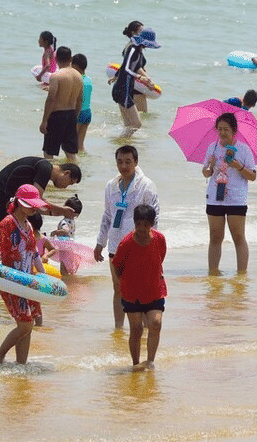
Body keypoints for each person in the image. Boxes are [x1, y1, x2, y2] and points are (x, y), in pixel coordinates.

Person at [0, 184, 51, 364]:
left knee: (28, 326)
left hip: (29, 282)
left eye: (35, 204)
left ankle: (21, 365)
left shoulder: (28, 225)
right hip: (12, 282)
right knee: (26, 324)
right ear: (18, 202)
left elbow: (34, 255)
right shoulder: (7, 223)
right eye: (30, 204)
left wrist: (43, 277)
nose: (33, 207)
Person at [95, 145, 160, 329]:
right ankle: (118, 328)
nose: (123, 166)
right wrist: (100, 242)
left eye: (128, 162)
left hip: (138, 244)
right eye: (120, 162)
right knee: (118, 288)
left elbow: (154, 217)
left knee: (140, 290)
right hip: (116, 245)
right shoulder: (111, 186)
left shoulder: (146, 185)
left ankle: (145, 330)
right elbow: (107, 215)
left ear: (136, 162)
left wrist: (151, 243)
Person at [202, 112, 257, 275]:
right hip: (214, 198)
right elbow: (205, 173)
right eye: (219, 129)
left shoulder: (243, 149)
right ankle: (213, 272)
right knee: (215, 237)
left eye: (226, 129)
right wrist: (209, 166)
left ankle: (241, 274)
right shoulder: (212, 147)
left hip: (236, 199)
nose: (222, 133)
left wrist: (238, 166)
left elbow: (253, 176)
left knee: (238, 237)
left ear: (234, 130)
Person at [112, 204, 165, 371]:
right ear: (134, 223)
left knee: (155, 323)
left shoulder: (159, 239)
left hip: (154, 290)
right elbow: (117, 266)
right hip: (132, 293)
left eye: (146, 224)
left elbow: (160, 257)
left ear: (152, 224)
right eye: (139, 224)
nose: (142, 228)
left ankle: (150, 362)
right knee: (136, 329)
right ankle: (135, 364)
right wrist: (123, 284)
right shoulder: (126, 243)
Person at [0, 156, 81, 231]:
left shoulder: (44, 167)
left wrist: (59, 212)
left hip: (0, 194)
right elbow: (36, 202)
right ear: (67, 173)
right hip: (0, 194)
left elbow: (34, 205)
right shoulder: (45, 169)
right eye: (70, 182)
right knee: (3, 234)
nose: (66, 186)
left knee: (2, 233)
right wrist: (62, 209)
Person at [112, 27, 160, 134]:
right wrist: (140, 77)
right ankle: (122, 143)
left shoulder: (137, 50)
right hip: (122, 90)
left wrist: (115, 76)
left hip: (125, 89)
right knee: (136, 124)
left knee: (129, 125)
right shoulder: (133, 49)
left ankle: (122, 145)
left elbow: (126, 66)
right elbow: (126, 68)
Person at [40, 47, 83, 163]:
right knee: (71, 153)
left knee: (48, 153)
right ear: (70, 59)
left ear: (56, 58)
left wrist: (44, 121)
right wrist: (75, 116)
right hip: (71, 115)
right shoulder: (79, 77)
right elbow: (80, 100)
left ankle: (49, 177)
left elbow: (51, 99)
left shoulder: (56, 76)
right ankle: (76, 175)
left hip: (57, 116)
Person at [71, 53, 92, 154]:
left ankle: (76, 163)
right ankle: (84, 162)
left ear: (75, 66)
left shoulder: (77, 79)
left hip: (79, 112)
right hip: (88, 113)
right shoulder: (88, 79)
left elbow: (76, 98)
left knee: (72, 144)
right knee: (80, 145)